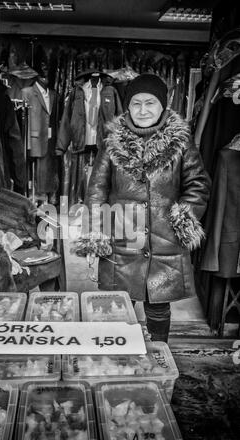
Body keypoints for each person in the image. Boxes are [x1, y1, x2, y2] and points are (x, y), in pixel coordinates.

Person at [75, 73, 211, 343]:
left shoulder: (181, 142)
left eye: (150, 103)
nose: (143, 110)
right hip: (123, 237)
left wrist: (182, 219)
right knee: (116, 305)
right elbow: (96, 190)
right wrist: (95, 233)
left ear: (163, 105)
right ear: (127, 106)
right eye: (136, 103)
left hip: (164, 237)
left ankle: (159, 357)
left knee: (158, 304)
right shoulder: (112, 141)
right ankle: (116, 360)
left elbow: (198, 184)